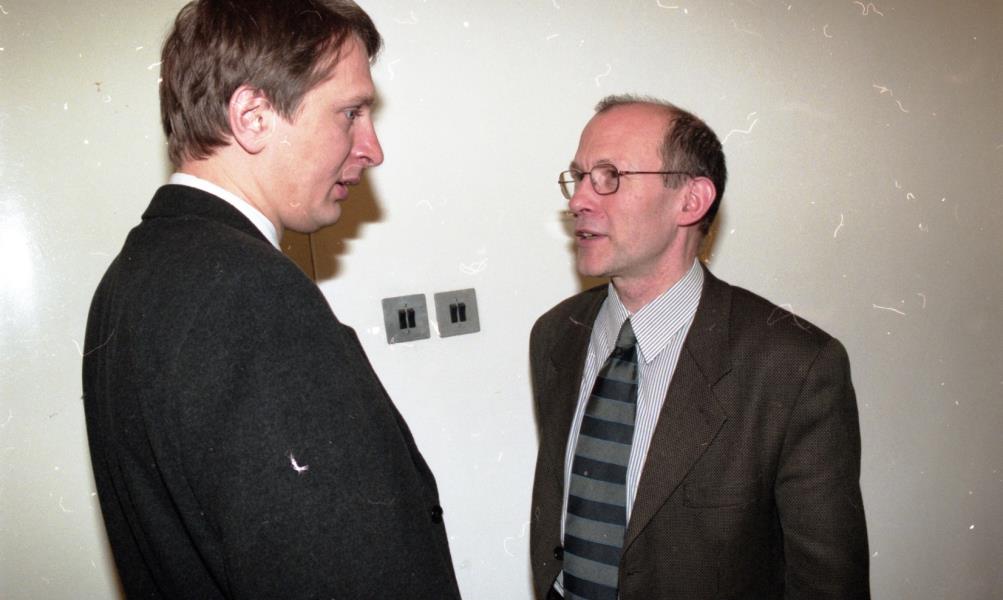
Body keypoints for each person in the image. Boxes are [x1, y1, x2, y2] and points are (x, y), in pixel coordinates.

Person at [81, 1, 460, 597]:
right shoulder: (252, 295)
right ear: (253, 116)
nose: (372, 148)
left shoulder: (130, 278)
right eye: (351, 113)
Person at [529, 95, 869, 599]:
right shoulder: (556, 335)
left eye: (609, 177)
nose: (579, 199)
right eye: (578, 177)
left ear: (690, 201)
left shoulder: (794, 367)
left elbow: (827, 584)